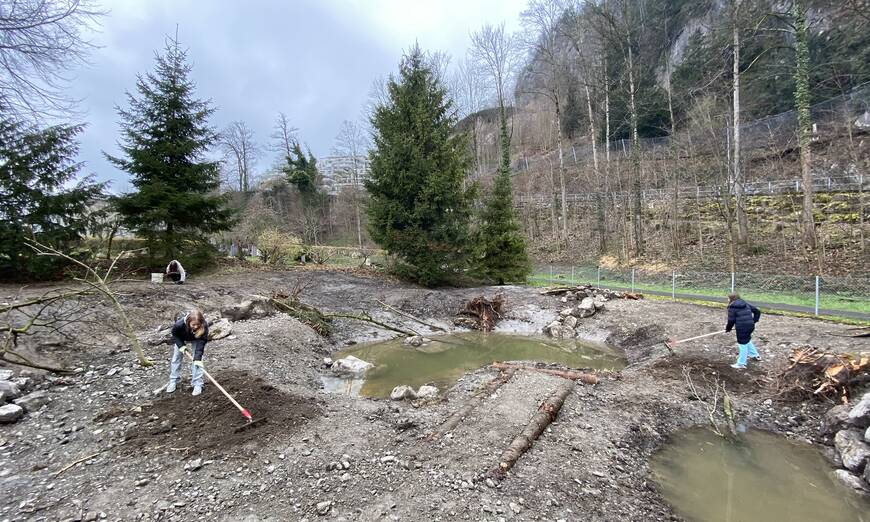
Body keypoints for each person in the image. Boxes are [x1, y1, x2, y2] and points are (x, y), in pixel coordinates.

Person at [166, 310, 208, 396]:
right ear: (188, 322)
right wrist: (181, 345)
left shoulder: (204, 325)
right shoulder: (179, 324)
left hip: (196, 339)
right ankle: (173, 380)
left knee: (198, 361)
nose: (196, 327)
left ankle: (197, 384)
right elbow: (175, 334)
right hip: (181, 337)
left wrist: (197, 358)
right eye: (193, 325)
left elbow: (202, 341)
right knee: (176, 358)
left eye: (198, 325)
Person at [725, 292, 761, 369]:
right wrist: (753, 321)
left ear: (731, 299)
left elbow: (731, 320)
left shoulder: (732, 307)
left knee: (742, 344)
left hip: (742, 328)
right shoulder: (745, 304)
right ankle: (755, 355)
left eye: (728, 298)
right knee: (747, 340)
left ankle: (741, 363)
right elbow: (757, 311)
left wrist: (728, 328)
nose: (727, 299)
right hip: (750, 326)